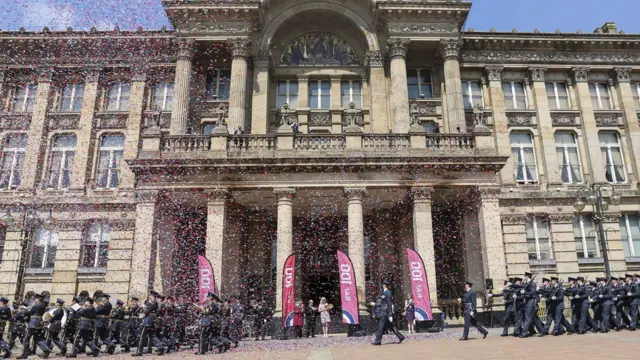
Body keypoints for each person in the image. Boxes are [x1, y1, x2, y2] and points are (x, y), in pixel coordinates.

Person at [17, 292, 51, 359]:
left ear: (38, 299)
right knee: (37, 339)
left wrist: (24, 309)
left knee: (26, 339)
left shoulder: (36, 305)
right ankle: (46, 350)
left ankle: (25, 354)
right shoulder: (43, 305)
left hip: (33, 323)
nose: (34, 300)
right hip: (39, 323)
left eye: (35, 298)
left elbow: (29, 312)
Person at [371, 279, 405, 345]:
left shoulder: (388, 293)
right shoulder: (383, 293)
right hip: (384, 312)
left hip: (385, 313)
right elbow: (382, 303)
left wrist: (390, 314)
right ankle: (401, 337)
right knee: (391, 326)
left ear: (384, 285)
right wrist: (375, 304)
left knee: (380, 327)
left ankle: (378, 341)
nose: (382, 285)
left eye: (383, 284)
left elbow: (389, 304)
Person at [132, 292, 166, 357]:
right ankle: (160, 347)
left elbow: (146, 312)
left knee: (142, 336)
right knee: (152, 336)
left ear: (153, 296)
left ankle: (139, 351)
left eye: (150, 295)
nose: (149, 296)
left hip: (148, 321)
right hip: (151, 321)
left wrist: (141, 306)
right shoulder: (153, 302)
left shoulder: (152, 303)